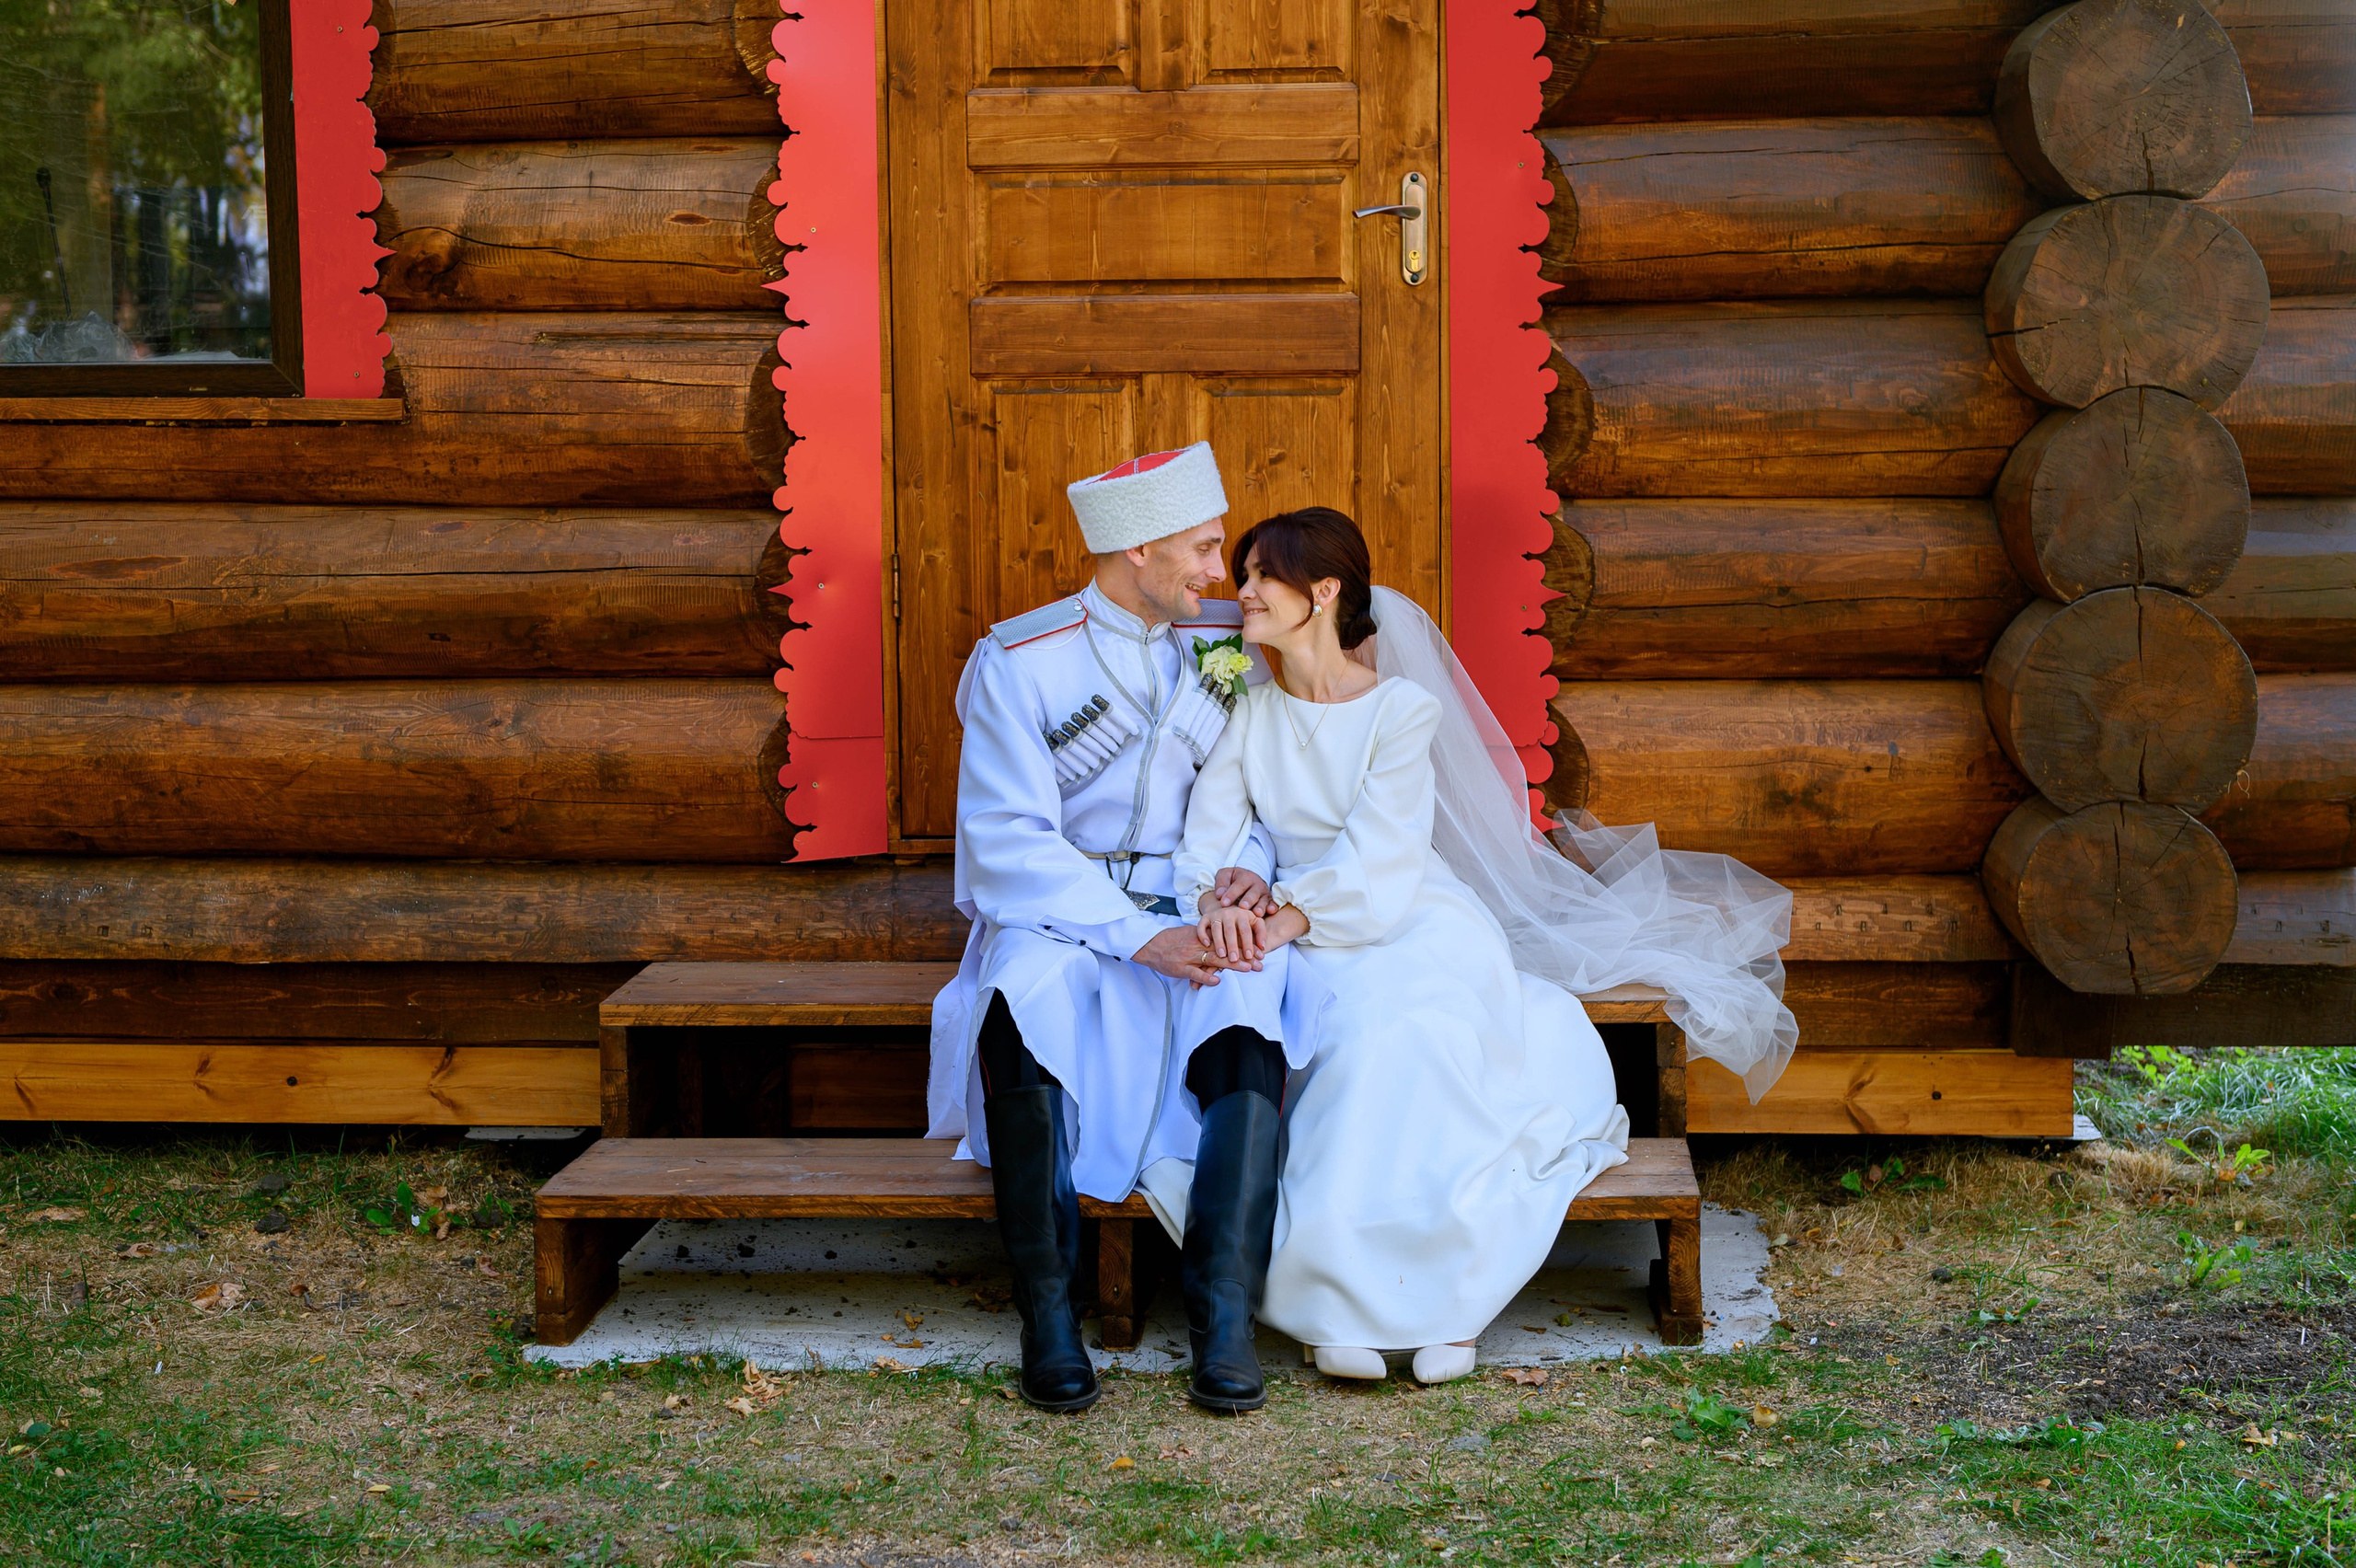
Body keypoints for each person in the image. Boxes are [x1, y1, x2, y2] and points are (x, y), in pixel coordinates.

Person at [1171, 507, 1797, 1384]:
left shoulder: (1400, 710)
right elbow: (1208, 833)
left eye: (1259, 578)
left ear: (1323, 592)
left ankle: (1448, 1304)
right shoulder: (1253, 711)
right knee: (1346, 1050)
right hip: (1304, 935)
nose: (1240, 596)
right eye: (1239, 577)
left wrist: (1281, 918)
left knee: (1414, 1034)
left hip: (1404, 916)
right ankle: (1340, 1301)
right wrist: (1215, 894)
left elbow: (1384, 855)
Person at [927, 442, 1322, 1415]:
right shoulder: (1020, 660)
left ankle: (1222, 1312)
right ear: (1136, 550)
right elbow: (1006, 838)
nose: (1218, 571)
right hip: (1063, 910)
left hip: (1195, 902)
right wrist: (1128, 934)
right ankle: (1048, 1316)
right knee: (1025, 993)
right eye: (1201, 548)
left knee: (1250, 990)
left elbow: (1268, 797)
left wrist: (1243, 887)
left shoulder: (1227, 646)